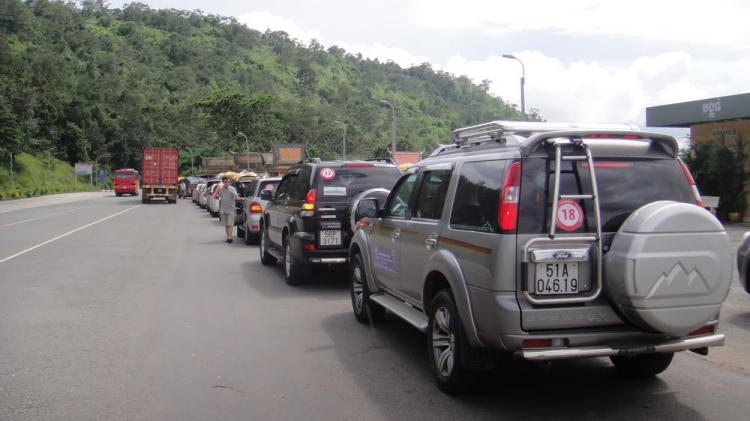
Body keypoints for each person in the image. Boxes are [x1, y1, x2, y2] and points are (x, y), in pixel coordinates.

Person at [218, 176, 244, 243]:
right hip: (223, 209)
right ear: (223, 182)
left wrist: (242, 198)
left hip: (231, 209)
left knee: (230, 224)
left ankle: (230, 237)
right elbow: (220, 197)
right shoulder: (221, 189)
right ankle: (228, 237)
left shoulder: (232, 189)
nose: (227, 183)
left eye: (228, 181)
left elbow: (236, 197)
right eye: (226, 181)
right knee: (226, 224)